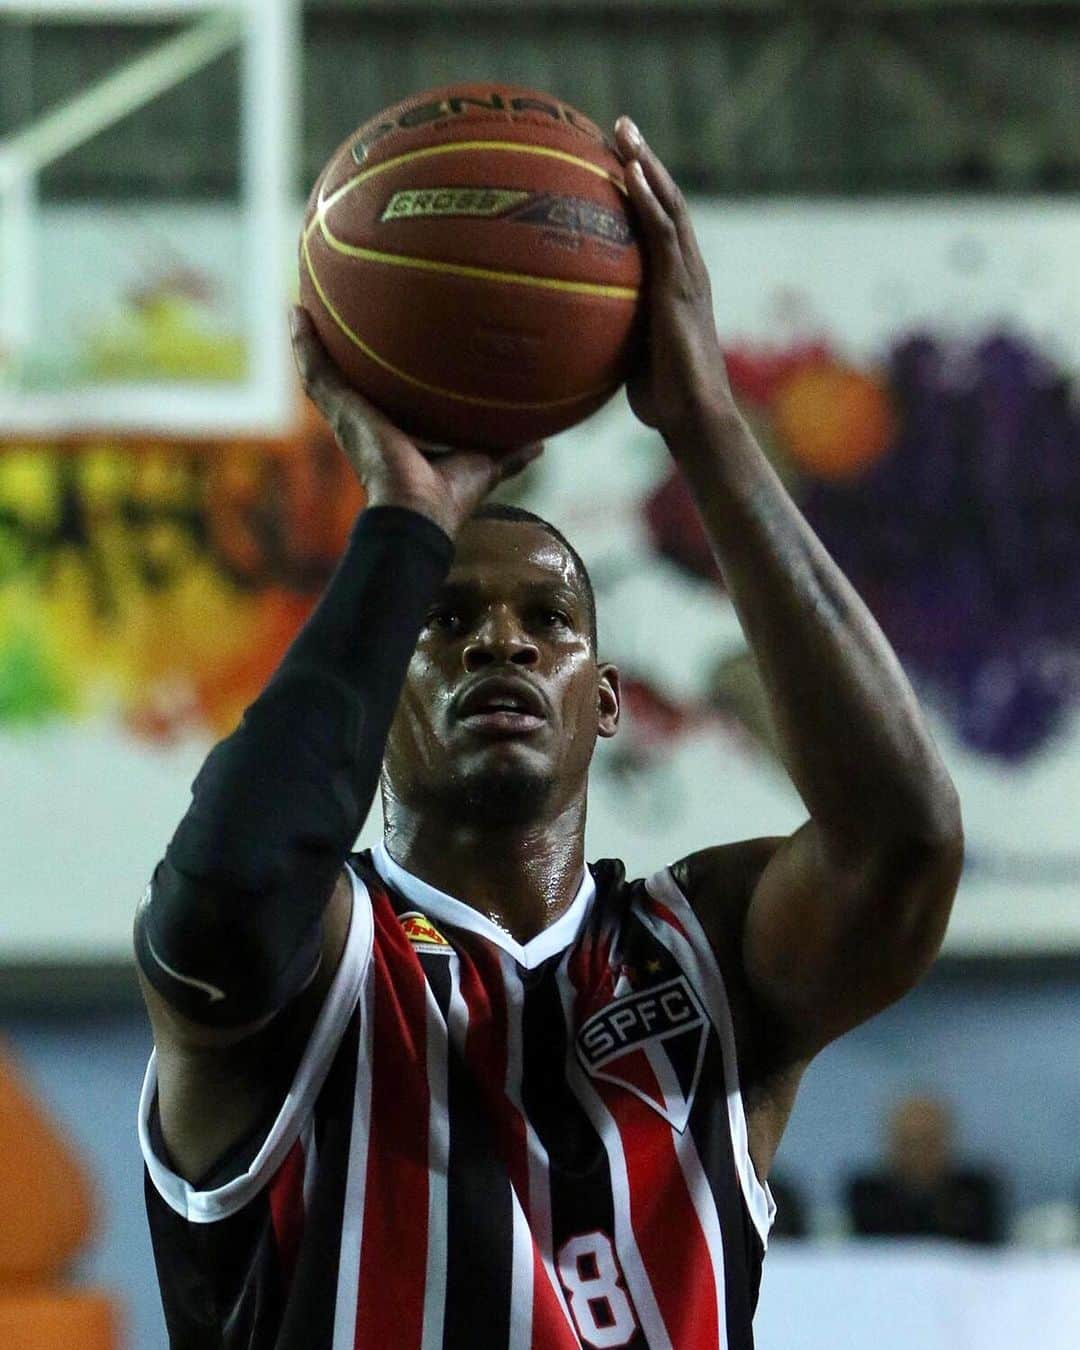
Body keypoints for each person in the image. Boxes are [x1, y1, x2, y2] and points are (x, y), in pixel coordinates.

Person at [134, 117, 964, 1350]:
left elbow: (903, 843)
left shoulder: (711, 959)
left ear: (610, 699)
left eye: (548, 621)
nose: (501, 643)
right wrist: (401, 525)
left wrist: (707, 423)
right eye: (445, 618)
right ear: (377, 693)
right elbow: (215, 911)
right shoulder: (320, 968)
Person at [847, 1094, 1004, 1244]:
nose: (918, 1153)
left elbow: (989, 1253)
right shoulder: (867, 1194)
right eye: (910, 1143)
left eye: (929, 1142)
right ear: (891, 1143)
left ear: (946, 1140)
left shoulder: (976, 1192)